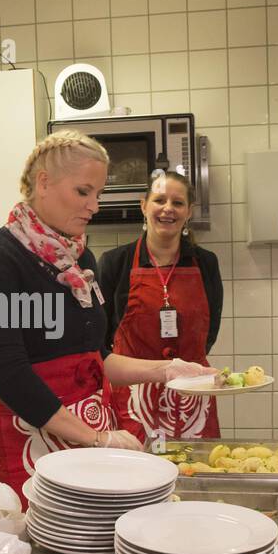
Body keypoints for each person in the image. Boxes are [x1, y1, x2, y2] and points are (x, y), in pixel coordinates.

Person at [0, 131, 214, 507]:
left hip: (88, 433)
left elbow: (98, 357)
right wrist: (96, 438)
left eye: (98, 194)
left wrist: (165, 370)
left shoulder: (79, 260)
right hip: (28, 437)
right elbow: (6, 372)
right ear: (43, 182)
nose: (94, 205)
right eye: (84, 192)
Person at [98, 170, 223, 442]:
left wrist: (184, 367)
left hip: (192, 396)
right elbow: (101, 340)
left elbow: (210, 331)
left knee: (194, 473)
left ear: (188, 211)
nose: (168, 209)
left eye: (177, 203)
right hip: (132, 399)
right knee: (135, 479)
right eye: (159, 200)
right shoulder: (114, 262)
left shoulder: (206, 263)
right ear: (144, 206)